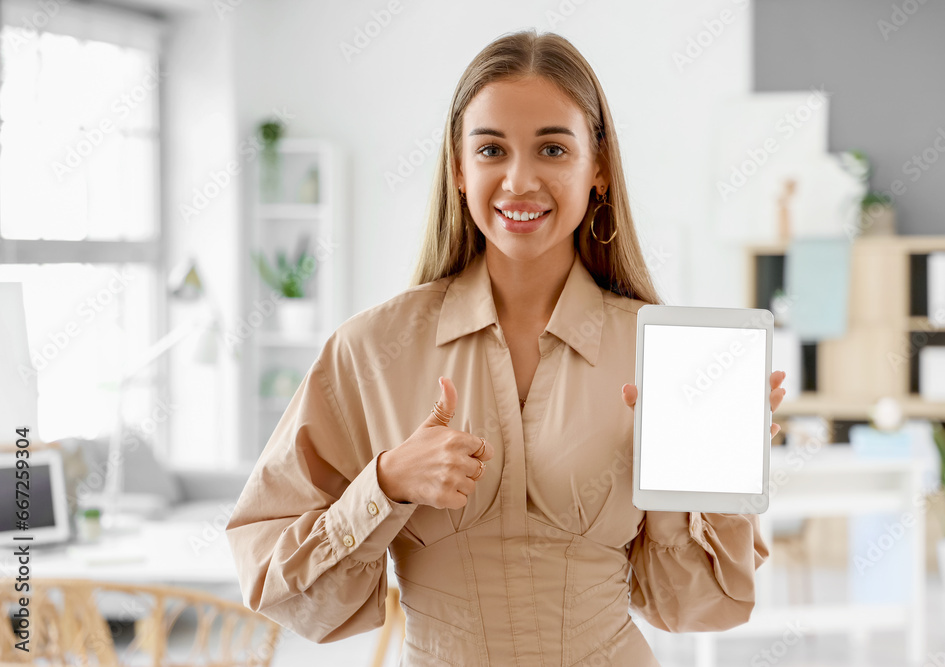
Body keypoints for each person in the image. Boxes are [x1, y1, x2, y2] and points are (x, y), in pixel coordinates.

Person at [225, 28, 786, 666]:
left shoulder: (665, 352)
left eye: (552, 148)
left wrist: (704, 470)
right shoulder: (370, 350)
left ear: (597, 168)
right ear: (459, 170)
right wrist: (384, 484)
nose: (520, 180)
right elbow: (276, 583)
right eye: (492, 149)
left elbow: (693, 609)